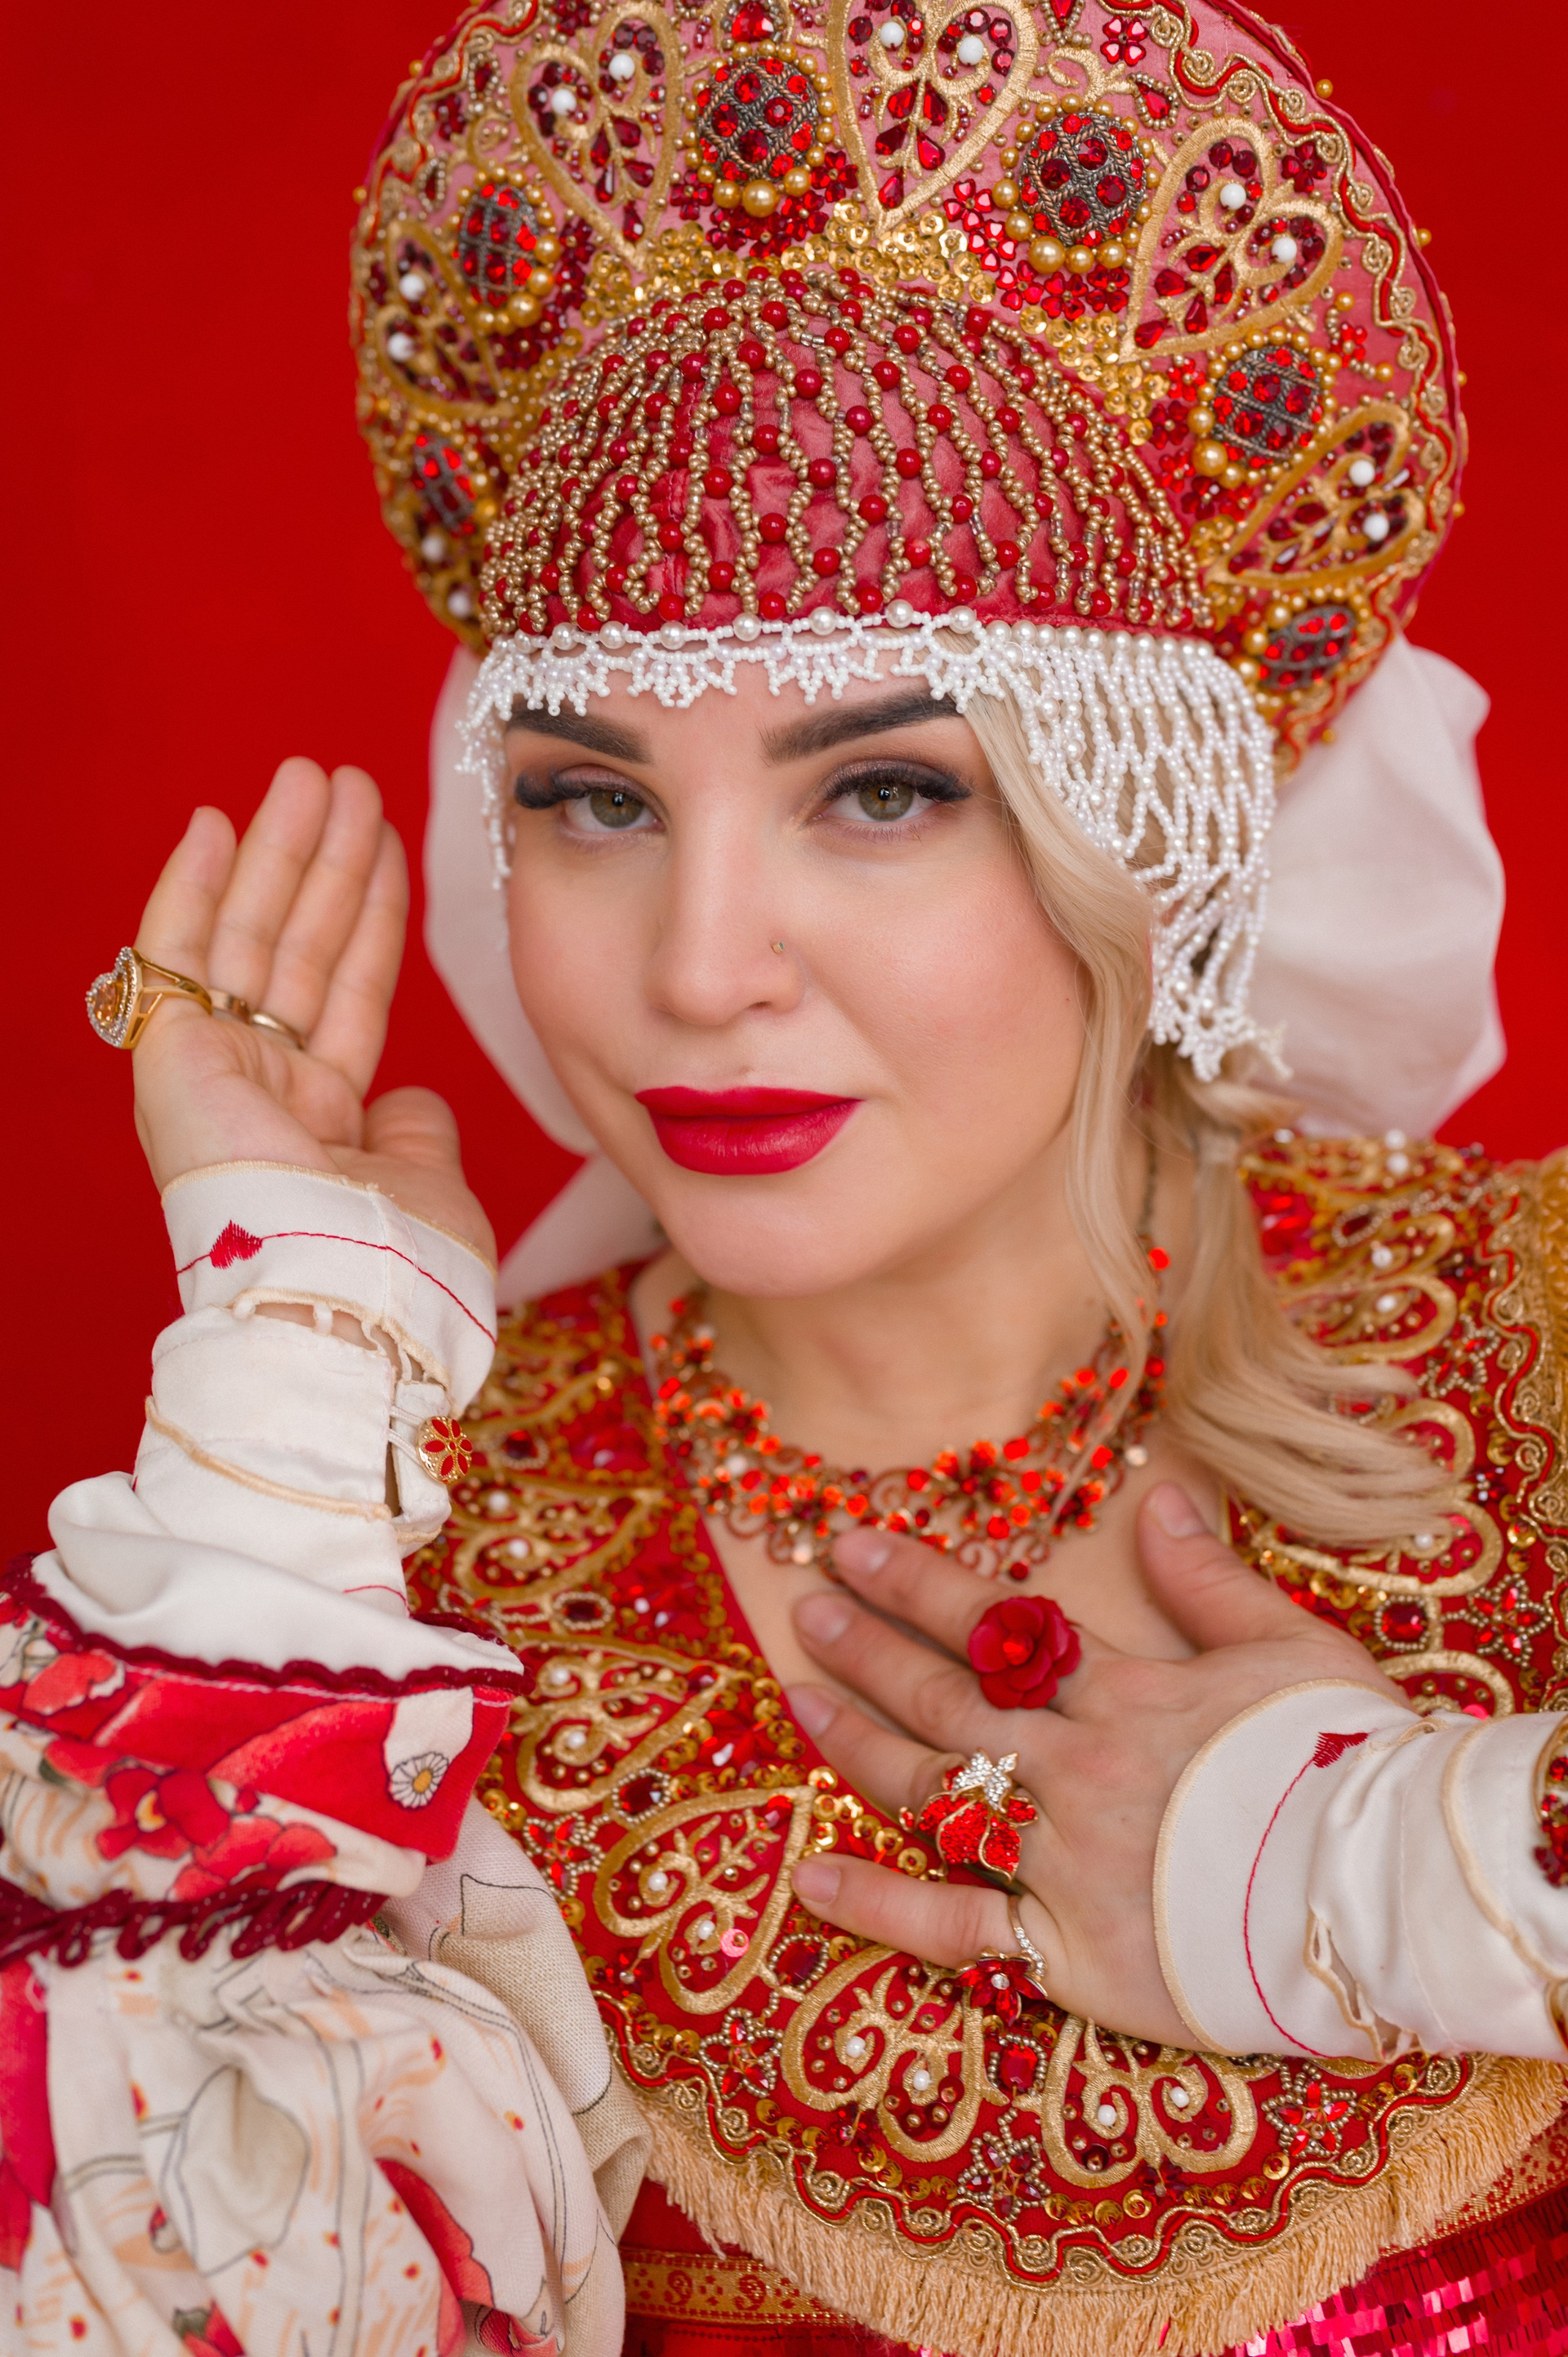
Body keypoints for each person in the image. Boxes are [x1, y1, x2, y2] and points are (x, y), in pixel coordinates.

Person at [21, 2, 1568, 2355]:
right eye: (596, 801)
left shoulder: (1526, 1330)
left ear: (1145, 837)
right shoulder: (384, 1569)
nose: (695, 968)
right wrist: (286, 1403)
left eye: (883, 791)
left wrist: (1393, 1872)